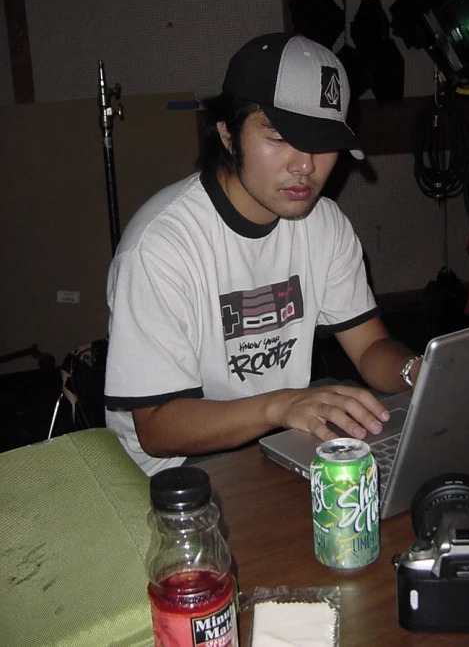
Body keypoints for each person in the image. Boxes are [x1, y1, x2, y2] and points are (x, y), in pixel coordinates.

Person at [104, 32, 422, 475]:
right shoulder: (161, 247)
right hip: (180, 463)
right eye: (278, 137)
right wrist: (282, 406)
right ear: (228, 134)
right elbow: (157, 428)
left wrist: (417, 373)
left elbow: (370, 347)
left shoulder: (325, 224)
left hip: (277, 428)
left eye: (323, 141)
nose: (305, 165)